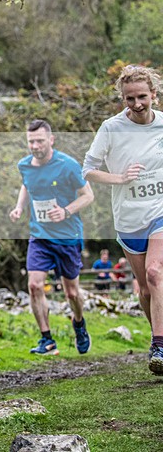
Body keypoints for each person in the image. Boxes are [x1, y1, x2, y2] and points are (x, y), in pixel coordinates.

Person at [83, 64, 163, 375]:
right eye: (130, 99)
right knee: (144, 288)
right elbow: (87, 169)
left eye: (142, 96)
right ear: (123, 98)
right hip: (129, 217)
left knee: (157, 273)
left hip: (160, 211)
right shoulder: (111, 128)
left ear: (154, 94)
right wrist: (118, 178)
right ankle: (159, 342)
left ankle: (159, 343)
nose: (137, 104)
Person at [9, 119, 95, 356]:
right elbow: (27, 185)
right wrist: (19, 207)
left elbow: (88, 196)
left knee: (72, 293)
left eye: (39, 140)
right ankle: (47, 339)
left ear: (51, 140)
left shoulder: (68, 165)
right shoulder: (24, 165)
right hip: (40, 236)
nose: (35, 146)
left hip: (68, 237)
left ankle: (79, 322)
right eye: (31, 141)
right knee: (35, 286)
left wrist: (66, 211)